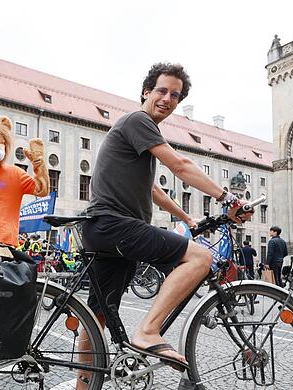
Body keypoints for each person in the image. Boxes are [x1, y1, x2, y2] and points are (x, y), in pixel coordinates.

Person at [77, 62, 251, 379]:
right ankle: (148, 332)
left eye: (175, 95)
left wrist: (188, 219)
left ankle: (83, 386)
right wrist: (227, 197)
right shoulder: (139, 121)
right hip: (116, 226)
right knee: (201, 257)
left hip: (104, 229)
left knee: (96, 315)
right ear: (146, 92)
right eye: (162, 91)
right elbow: (180, 165)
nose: (168, 99)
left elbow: (154, 190)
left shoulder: (136, 132)